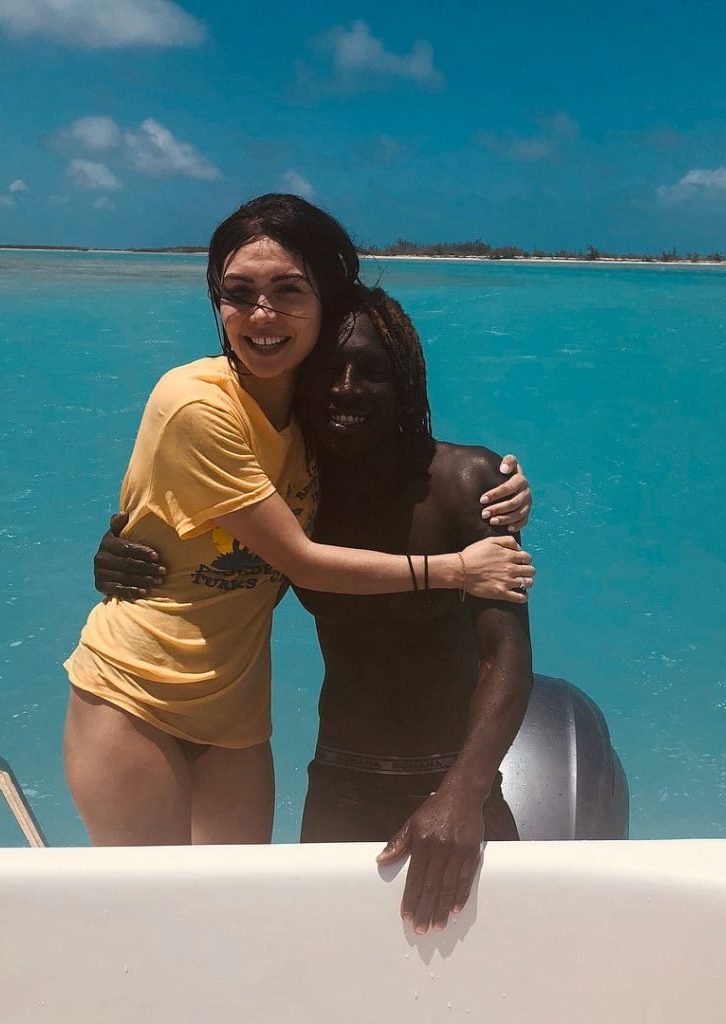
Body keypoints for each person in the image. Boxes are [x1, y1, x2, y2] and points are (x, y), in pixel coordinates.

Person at [64, 195, 534, 853]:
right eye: (239, 292)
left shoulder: (339, 453)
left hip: (266, 726)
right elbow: (285, 554)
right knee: (157, 904)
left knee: (235, 901)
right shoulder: (227, 422)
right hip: (162, 703)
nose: (345, 389)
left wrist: (496, 483)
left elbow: (504, 654)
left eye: (287, 291)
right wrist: (458, 568)